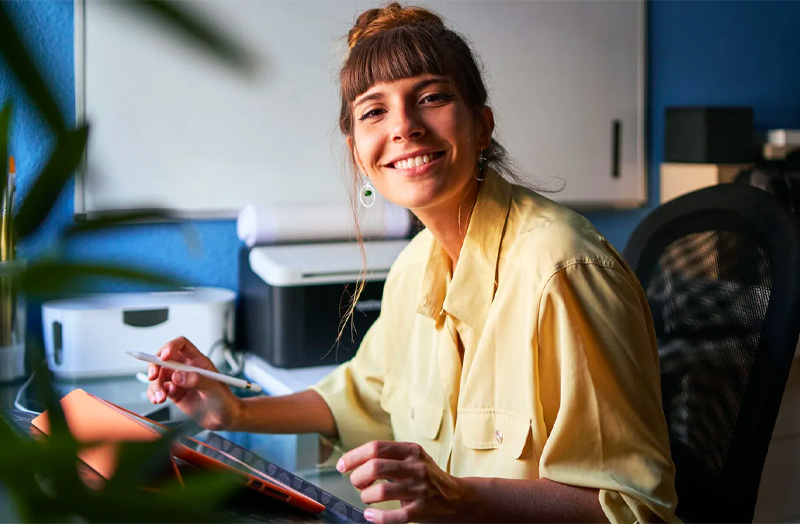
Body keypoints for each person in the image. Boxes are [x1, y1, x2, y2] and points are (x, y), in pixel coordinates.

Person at [147, 3, 678, 523]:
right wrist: (234, 411)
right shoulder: (413, 266)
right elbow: (364, 397)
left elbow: (634, 510)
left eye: (432, 97)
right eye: (375, 111)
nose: (404, 127)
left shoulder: (562, 270)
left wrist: (463, 501)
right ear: (359, 153)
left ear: (482, 125)